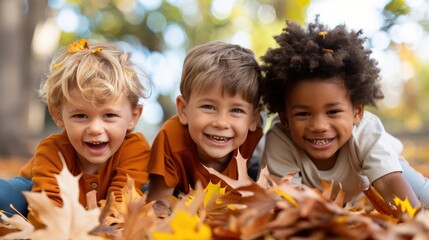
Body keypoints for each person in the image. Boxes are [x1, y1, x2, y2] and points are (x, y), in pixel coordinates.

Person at [259, 18, 429, 208]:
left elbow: (388, 182)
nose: (319, 126)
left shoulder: (366, 132)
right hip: (329, 194)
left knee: (417, 190)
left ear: (357, 112)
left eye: (332, 112)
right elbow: (289, 201)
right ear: (285, 118)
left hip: (384, 164)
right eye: (303, 114)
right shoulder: (280, 139)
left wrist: (418, 225)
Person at [0, 38, 151, 225]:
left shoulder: (134, 148)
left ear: (134, 116)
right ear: (58, 116)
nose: (95, 129)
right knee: (9, 193)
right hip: (38, 191)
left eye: (109, 115)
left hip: (101, 212)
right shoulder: (53, 151)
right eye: (80, 116)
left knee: (146, 193)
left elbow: (122, 203)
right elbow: (47, 210)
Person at [146, 41, 263, 204]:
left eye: (236, 110)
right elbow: (158, 204)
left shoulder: (254, 140)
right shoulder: (171, 137)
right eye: (208, 107)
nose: (221, 123)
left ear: (253, 118)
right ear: (184, 110)